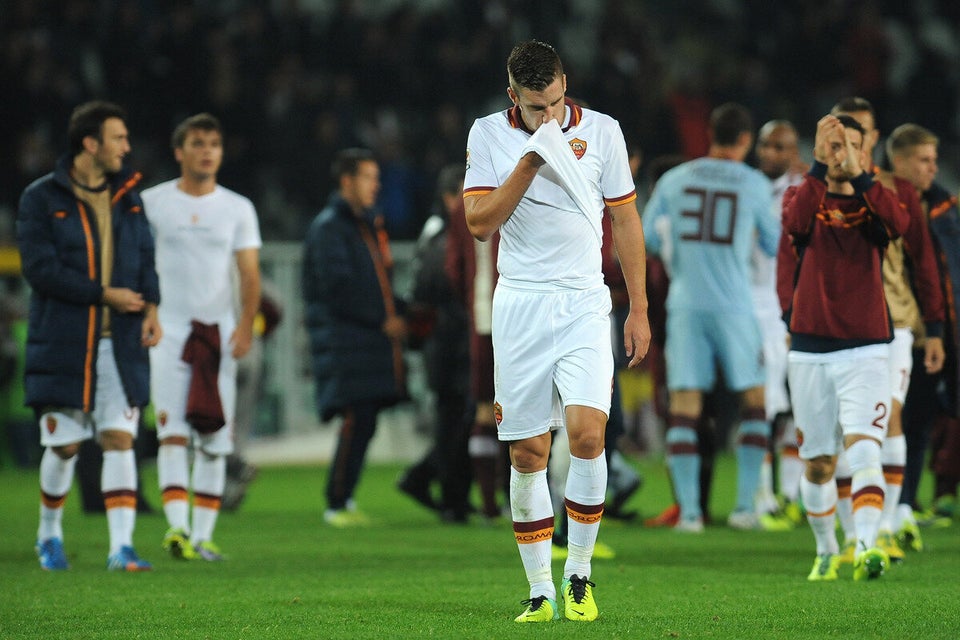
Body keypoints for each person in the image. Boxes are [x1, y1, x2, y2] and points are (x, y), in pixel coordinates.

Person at [463, 40, 651, 623]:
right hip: (519, 303)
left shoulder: (603, 131)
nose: (548, 115)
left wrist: (639, 309)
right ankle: (540, 589)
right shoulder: (488, 134)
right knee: (527, 453)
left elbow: (624, 218)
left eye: (555, 102)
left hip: (582, 303)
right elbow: (478, 223)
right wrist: (532, 160)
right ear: (511, 93)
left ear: (565, 84)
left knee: (589, 437)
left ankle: (579, 577)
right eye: (535, 106)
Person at [17, 100, 162, 571]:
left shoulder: (129, 195)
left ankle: (121, 547)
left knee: (120, 438)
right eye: (118, 138)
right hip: (64, 340)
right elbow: (41, 271)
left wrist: (151, 306)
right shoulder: (40, 199)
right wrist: (105, 295)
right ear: (90, 143)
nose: (127, 147)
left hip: (117, 342)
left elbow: (144, 255)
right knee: (65, 446)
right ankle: (48, 535)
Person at [777, 113, 910, 581]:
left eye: (850, 145)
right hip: (810, 350)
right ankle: (826, 549)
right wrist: (818, 168)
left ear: (864, 153)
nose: (841, 154)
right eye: (834, 145)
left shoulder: (878, 201)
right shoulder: (802, 196)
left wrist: (860, 175)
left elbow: (898, 224)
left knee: (865, 451)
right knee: (818, 463)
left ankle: (868, 546)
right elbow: (794, 224)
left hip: (868, 348)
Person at [642, 103, 779, 533]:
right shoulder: (754, 183)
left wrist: (679, 252)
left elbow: (645, 236)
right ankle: (743, 508)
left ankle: (692, 514)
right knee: (754, 402)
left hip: (685, 304)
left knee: (684, 408)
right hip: (736, 304)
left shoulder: (675, 179)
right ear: (744, 141)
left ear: (711, 135)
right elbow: (776, 244)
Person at [141, 113, 262, 561]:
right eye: (197, 143)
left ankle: (204, 537)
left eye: (213, 142)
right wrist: (147, 313)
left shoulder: (237, 207)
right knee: (173, 434)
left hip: (218, 336)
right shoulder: (152, 203)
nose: (207, 150)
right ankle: (177, 529)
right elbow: (137, 265)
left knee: (214, 438)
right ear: (179, 152)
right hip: (168, 333)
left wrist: (246, 325)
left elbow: (249, 273)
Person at [830, 98, 944, 565]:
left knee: (886, 418)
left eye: (865, 132)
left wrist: (933, 327)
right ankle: (851, 531)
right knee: (843, 430)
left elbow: (924, 262)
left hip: (893, 322)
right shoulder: (821, 190)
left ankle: (889, 523)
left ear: (875, 138)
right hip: (836, 326)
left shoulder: (896, 192)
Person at [303, 148, 408, 527]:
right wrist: (384, 319)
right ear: (347, 181)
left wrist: (401, 311)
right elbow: (339, 288)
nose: (375, 185)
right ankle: (336, 501)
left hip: (360, 341)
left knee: (363, 420)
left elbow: (372, 286)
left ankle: (343, 499)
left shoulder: (360, 225)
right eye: (368, 177)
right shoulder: (331, 228)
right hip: (346, 341)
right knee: (355, 418)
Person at [887, 123, 960, 546]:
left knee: (921, 421)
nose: (933, 168)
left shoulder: (944, 206)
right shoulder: (882, 200)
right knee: (893, 418)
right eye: (924, 160)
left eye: (934, 160)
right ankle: (879, 504)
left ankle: (905, 505)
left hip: (935, 331)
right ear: (899, 160)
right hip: (894, 327)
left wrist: (939, 329)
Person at [396, 164, 473, 523]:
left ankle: (446, 489)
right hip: (448, 345)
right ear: (447, 198)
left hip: (452, 342)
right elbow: (430, 292)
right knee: (456, 423)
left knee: (463, 422)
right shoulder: (442, 240)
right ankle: (447, 495)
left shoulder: (440, 236)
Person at [751, 120, 806, 527]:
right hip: (754, 310)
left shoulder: (804, 193)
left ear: (793, 153)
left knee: (797, 408)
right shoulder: (746, 187)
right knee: (764, 406)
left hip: (798, 311)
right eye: (765, 145)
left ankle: (791, 494)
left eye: (779, 147)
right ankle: (762, 497)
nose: (770, 152)